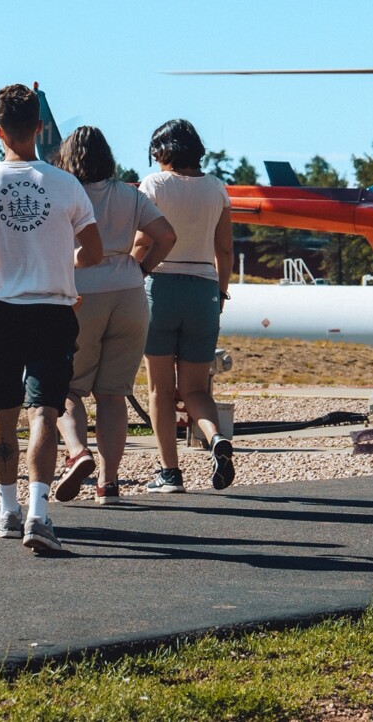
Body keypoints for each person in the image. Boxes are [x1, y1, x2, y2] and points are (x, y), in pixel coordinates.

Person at [0, 84, 102, 553]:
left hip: (3, 310)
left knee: (2, 412)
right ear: (40, 127)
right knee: (45, 411)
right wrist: (60, 265)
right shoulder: (66, 184)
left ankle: (8, 507)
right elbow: (93, 251)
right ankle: (39, 513)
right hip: (54, 310)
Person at [50, 126, 176, 504]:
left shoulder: (64, 193)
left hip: (79, 293)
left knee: (65, 387)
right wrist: (141, 268)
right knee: (113, 394)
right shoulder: (129, 194)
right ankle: (110, 483)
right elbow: (166, 235)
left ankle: (78, 452)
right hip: (129, 294)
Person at [139, 118, 237, 494]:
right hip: (204, 291)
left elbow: (143, 242)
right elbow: (225, 249)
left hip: (160, 287)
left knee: (160, 390)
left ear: (162, 151)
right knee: (197, 390)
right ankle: (215, 439)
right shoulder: (217, 189)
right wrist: (221, 293)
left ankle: (170, 472)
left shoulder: (154, 185)